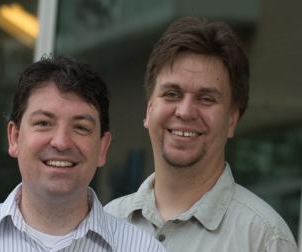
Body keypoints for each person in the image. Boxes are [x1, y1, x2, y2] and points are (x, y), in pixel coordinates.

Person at [0, 56, 166, 252]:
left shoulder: (144, 249)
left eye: (80, 127)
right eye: (43, 123)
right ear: (14, 137)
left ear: (103, 147)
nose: (61, 142)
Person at [104, 17, 298, 251]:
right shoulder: (106, 225)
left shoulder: (263, 239)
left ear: (231, 120)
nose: (185, 112)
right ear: (149, 110)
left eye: (206, 99)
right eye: (172, 94)